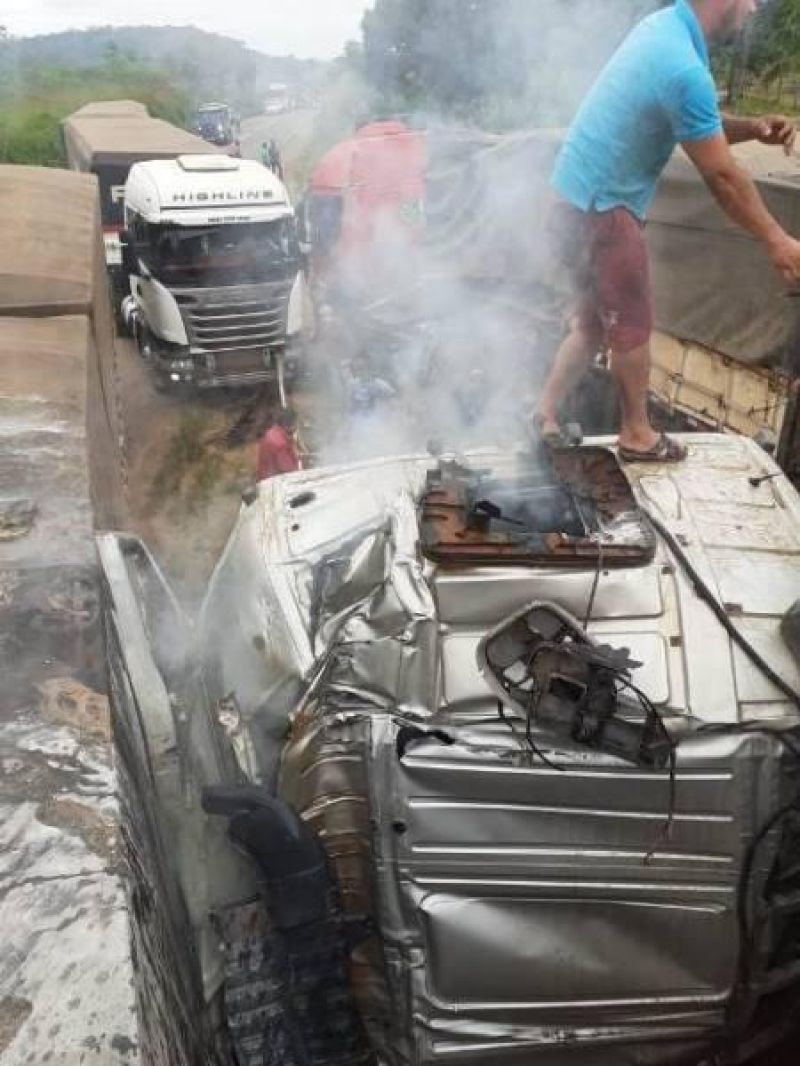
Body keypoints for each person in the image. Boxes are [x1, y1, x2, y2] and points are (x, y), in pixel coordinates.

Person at [536, 0, 800, 463]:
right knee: (632, 324)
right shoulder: (681, 66)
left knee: (593, 322)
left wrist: (755, 128)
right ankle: (637, 434)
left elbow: (698, 127)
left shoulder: (661, 32)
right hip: (604, 210)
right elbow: (722, 176)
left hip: (569, 202)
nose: (755, 8)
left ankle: (544, 413)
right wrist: (778, 241)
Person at [256, 408, 300, 481]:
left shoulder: (272, 432)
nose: (296, 426)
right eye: (295, 423)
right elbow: (290, 472)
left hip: (265, 478)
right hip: (274, 483)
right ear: (289, 425)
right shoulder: (281, 444)